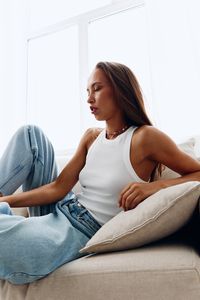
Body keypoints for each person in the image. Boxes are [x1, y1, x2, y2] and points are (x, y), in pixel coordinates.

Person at [0, 61, 200, 285]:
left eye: (97, 88)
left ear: (120, 89)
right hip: (61, 208)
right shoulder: (91, 137)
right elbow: (58, 188)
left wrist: (155, 187)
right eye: (88, 91)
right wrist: (7, 199)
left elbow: (197, 173)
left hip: (78, 232)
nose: (89, 98)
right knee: (30, 134)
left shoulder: (145, 138)